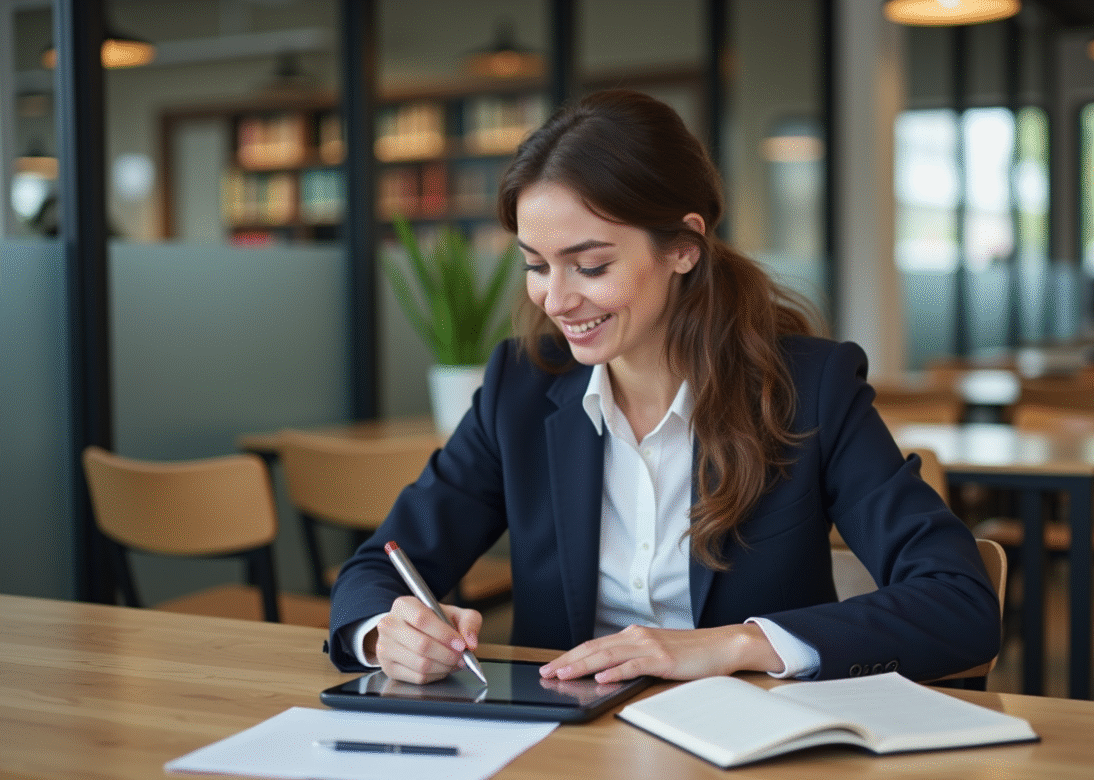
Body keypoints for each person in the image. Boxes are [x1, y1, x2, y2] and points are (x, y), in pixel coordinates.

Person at [327, 89, 999, 686]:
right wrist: (386, 633)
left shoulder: (811, 388)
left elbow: (959, 602)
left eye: (589, 265)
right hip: (566, 753)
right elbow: (377, 569)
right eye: (536, 265)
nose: (555, 299)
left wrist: (733, 646)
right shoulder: (522, 386)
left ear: (683, 247)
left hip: (749, 748)